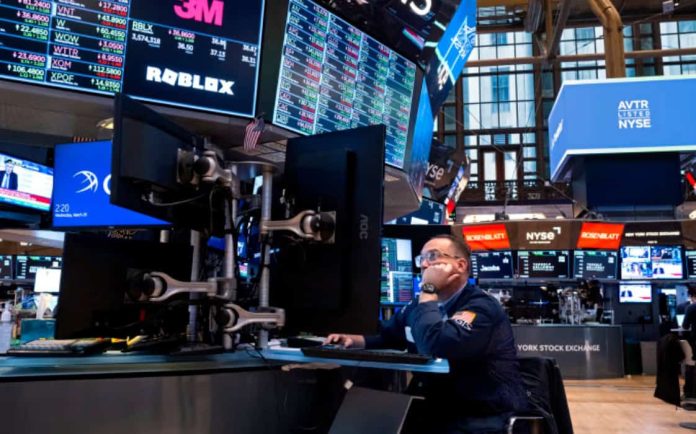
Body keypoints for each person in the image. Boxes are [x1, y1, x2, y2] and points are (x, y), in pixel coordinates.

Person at [327, 234, 527, 433]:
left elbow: (437, 345)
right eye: (421, 258)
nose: (424, 265)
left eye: (433, 256)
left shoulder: (481, 306)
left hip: (481, 414)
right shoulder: (418, 305)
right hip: (434, 407)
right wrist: (354, 340)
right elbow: (389, 335)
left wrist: (428, 290)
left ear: (460, 265)